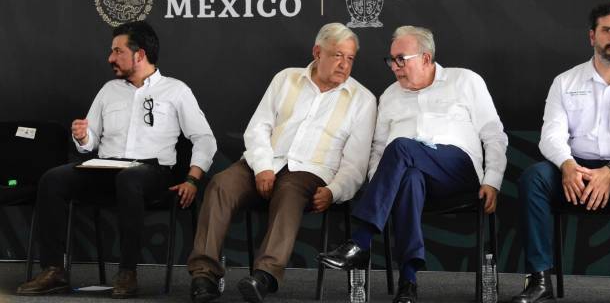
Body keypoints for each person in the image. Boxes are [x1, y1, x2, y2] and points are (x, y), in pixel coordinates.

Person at [17, 20, 217, 298]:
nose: (110, 58)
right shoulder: (108, 90)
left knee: (130, 178)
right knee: (53, 179)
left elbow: (204, 138)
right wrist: (83, 136)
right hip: (106, 169)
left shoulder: (176, 91)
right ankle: (54, 270)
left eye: (117, 51)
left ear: (140, 54)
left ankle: (127, 272)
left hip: (152, 173)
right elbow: (90, 146)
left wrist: (193, 179)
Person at [187, 23, 376, 303]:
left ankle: (264, 276)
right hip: (264, 163)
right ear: (317, 52)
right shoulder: (286, 79)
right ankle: (204, 275)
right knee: (220, 184)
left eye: (350, 58)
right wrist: (263, 166)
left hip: (311, 172)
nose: (344, 64)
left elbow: (356, 164)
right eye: (337, 55)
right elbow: (258, 128)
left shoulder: (363, 100)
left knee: (289, 192)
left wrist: (335, 191)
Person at [318, 25, 508, 303]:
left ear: (426, 58)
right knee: (409, 179)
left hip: (458, 172)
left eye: (401, 59)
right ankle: (408, 283)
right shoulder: (390, 96)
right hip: (413, 176)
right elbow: (378, 151)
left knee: (402, 146)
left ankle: (361, 241)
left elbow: (493, 134)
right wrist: (385, 182)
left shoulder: (465, 81)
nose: (394, 67)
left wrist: (492, 179)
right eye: (391, 60)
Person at [506, 2, 610, 303]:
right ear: (592, 36)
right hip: (576, 172)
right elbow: (551, 136)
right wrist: (567, 165)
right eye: (607, 30)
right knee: (534, 178)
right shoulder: (565, 81)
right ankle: (539, 281)